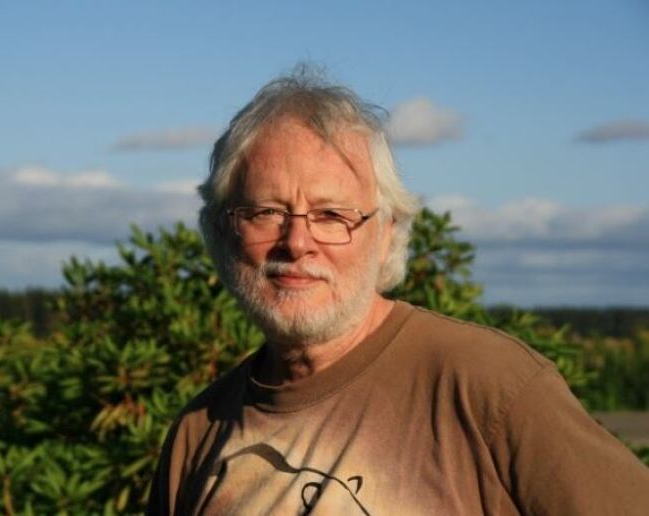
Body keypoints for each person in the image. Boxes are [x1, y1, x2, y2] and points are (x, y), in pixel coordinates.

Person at [147, 70, 649, 515]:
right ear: (222, 230)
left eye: (332, 216)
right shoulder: (199, 431)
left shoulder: (489, 387)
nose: (297, 243)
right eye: (265, 213)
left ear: (386, 233)